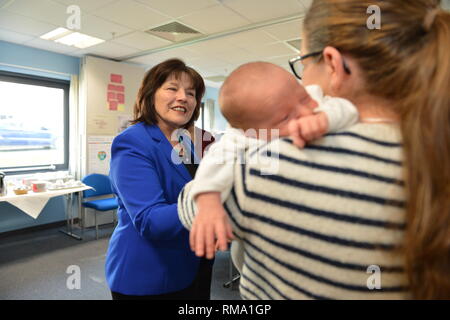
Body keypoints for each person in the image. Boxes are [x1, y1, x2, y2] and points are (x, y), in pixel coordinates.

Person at [178, 0, 450, 299]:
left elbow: (189, 207)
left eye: (303, 64)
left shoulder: (262, 165)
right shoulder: (435, 150)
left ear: (335, 64)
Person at [179, 61, 359, 258]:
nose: (306, 113)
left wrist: (326, 119)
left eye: (304, 99)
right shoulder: (239, 137)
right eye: (285, 118)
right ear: (254, 133)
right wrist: (209, 203)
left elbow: (346, 107)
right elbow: (215, 162)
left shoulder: (315, 99)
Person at [105, 58, 215, 300]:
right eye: (172, 88)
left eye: (191, 93)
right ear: (150, 94)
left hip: (195, 261)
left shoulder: (188, 142)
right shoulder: (132, 142)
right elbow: (150, 221)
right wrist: (215, 190)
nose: (183, 97)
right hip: (151, 274)